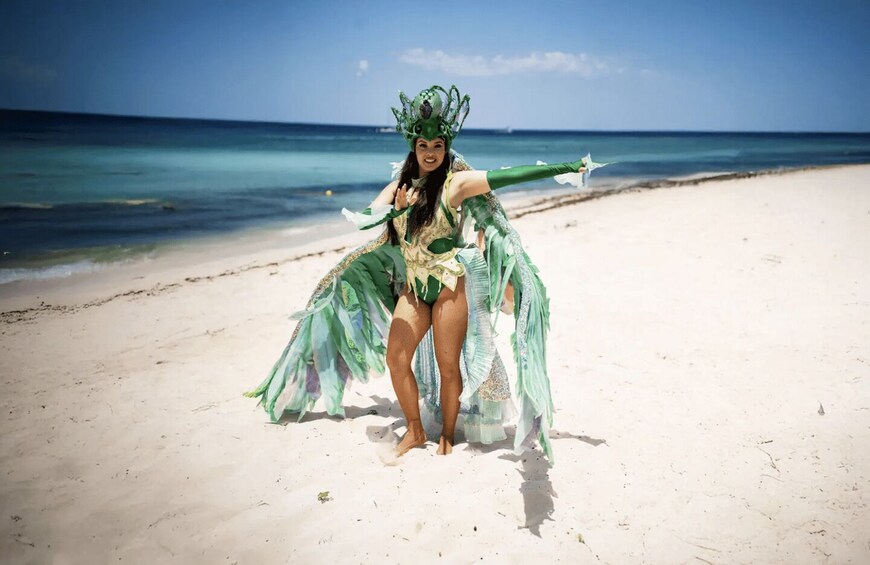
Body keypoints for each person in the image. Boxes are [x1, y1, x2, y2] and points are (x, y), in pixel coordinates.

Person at [246, 85, 605, 461]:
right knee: (396, 359)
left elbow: (510, 175)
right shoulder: (398, 187)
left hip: (450, 284)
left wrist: (567, 168)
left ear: (446, 147)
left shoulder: (456, 184)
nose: (430, 153)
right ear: (413, 148)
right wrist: (395, 211)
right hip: (415, 287)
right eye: (423, 145)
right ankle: (416, 430)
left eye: (437, 145)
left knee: (449, 366)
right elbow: (365, 219)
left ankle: (447, 434)